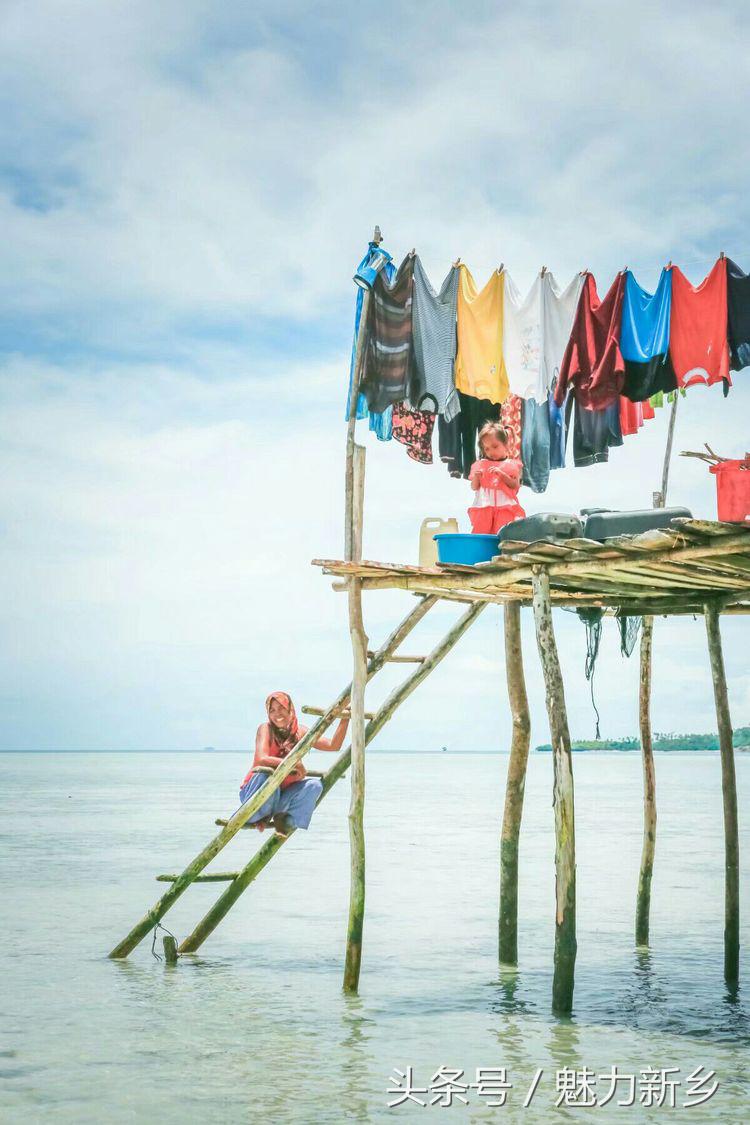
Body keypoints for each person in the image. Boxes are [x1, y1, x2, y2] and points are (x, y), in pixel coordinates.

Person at [238, 692, 350, 838]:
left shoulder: (300, 732)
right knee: (267, 777)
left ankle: (283, 818)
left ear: (290, 709)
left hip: (279, 796)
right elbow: (261, 759)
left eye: (282, 708)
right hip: (255, 797)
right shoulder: (265, 729)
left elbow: (333, 745)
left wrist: (345, 719)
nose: (277, 713)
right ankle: (261, 816)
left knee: (314, 786)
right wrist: (295, 764)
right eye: (272, 710)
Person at [468, 421, 526, 533]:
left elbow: (515, 485)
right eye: (487, 449)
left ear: (506, 444)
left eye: (495, 446)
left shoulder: (511, 465)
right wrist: (477, 477)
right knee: (481, 533)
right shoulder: (481, 465)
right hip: (484, 508)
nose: (491, 452)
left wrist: (502, 475)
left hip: (504, 508)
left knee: (503, 533)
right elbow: (474, 487)